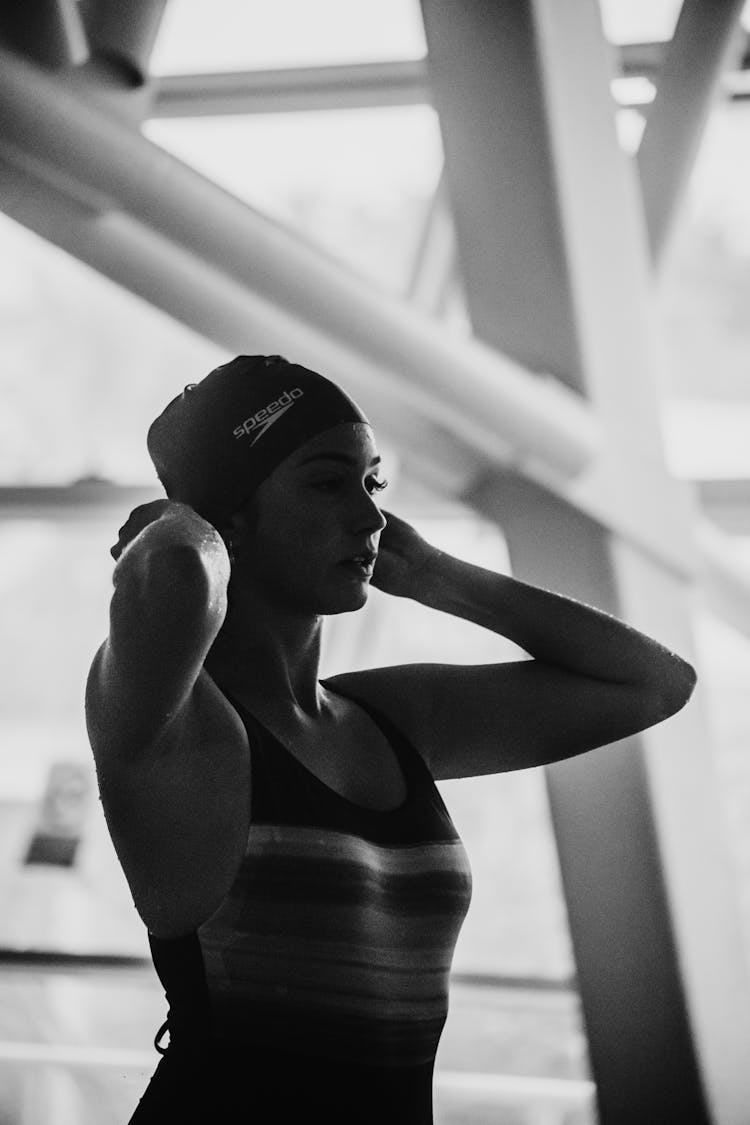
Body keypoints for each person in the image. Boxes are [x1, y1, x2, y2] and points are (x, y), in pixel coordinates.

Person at [85, 354, 696, 1124]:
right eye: (327, 481)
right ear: (229, 519)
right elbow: (174, 572)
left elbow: (653, 683)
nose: (370, 517)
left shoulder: (389, 719)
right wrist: (183, 519)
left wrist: (434, 573)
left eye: (374, 483)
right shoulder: (178, 728)